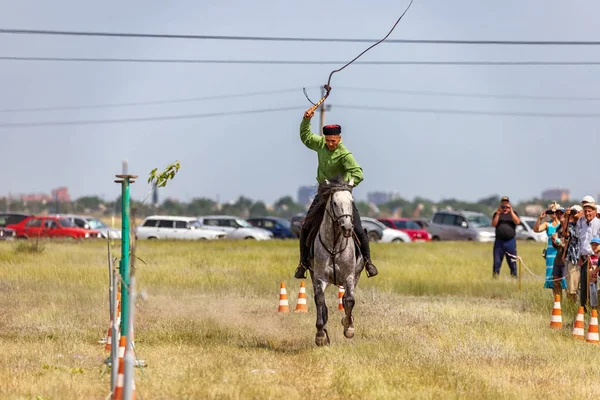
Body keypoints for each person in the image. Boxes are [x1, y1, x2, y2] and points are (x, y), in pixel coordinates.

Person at [294, 107, 378, 280]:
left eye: (334, 140)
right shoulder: (321, 144)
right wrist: (306, 120)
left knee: (359, 229)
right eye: (328, 140)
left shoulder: (345, 155)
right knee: (306, 227)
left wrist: (347, 186)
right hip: (323, 194)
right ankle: (303, 263)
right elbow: (306, 137)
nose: (331, 143)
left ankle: (368, 262)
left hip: (341, 195)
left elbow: (358, 173)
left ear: (339, 138)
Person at [534, 202, 567, 290]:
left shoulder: (564, 223)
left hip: (561, 253)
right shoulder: (547, 224)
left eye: (555, 211)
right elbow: (536, 230)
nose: (553, 214)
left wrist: (557, 240)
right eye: (551, 212)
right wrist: (540, 218)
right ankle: (557, 300)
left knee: (564, 277)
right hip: (551, 253)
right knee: (553, 278)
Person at [576, 196, 600, 311]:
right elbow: (581, 241)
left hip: (595, 259)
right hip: (584, 258)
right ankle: (583, 310)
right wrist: (580, 256)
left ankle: (594, 311)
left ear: (595, 212)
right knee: (583, 287)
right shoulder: (582, 223)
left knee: (593, 287)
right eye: (585, 211)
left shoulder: (598, 224)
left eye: (589, 211)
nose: (587, 213)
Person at [491, 196, 521, 278]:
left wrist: (510, 211)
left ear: (509, 204)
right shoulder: (497, 214)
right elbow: (493, 224)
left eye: (506, 204)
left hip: (510, 241)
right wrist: (498, 213)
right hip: (499, 242)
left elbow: (517, 221)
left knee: (512, 262)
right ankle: (495, 277)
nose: (505, 206)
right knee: (497, 262)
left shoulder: (513, 213)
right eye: (503, 204)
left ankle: (514, 276)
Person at [562, 205, 583, 302]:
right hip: (572, 257)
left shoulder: (583, 224)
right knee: (571, 285)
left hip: (583, 256)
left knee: (582, 285)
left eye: (576, 212)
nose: (574, 215)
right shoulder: (570, 225)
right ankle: (571, 305)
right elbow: (565, 234)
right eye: (573, 213)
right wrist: (566, 216)